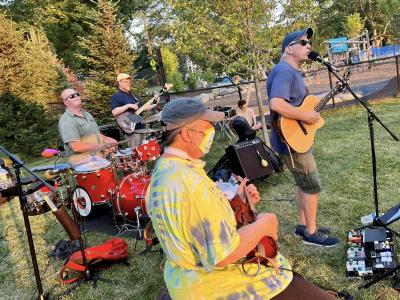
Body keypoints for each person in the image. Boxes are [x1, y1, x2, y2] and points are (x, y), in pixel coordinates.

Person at [146, 99, 337, 299]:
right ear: (186, 133)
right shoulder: (189, 183)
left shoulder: (166, 169)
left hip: (185, 281)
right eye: (206, 125)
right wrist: (265, 223)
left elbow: (193, 224)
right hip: (222, 286)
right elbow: (222, 255)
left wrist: (237, 202)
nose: (212, 130)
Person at [267, 28, 338, 247]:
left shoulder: (291, 72)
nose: (309, 47)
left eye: (309, 43)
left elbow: (301, 105)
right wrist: (306, 116)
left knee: (301, 182)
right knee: (311, 185)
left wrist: (312, 113)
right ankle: (311, 233)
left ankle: (302, 225)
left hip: (291, 138)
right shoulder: (285, 71)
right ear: (289, 48)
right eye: (304, 43)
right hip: (291, 141)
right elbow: (277, 104)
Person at [58, 88, 117, 165]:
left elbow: (97, 134)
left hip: (99, 156)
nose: (76, 97)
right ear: (66, 102)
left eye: (77, 94)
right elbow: (76, 147)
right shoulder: (66, 120)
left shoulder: (87, 114)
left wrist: (109, 141)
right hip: (83, 162)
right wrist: (102, 146)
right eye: (72, 96)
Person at [111, 73, 157, 147]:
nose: (128, 84)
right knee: (137, 151)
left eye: (129, 82)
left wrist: (155, 103)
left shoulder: (133, 95)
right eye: (125, 82)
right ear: (119, 82)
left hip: (141, 127)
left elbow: (143, 108)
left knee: (147, 149)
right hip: (131, 129)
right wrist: (128, 105)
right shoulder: (116, 96)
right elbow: (114, 112)